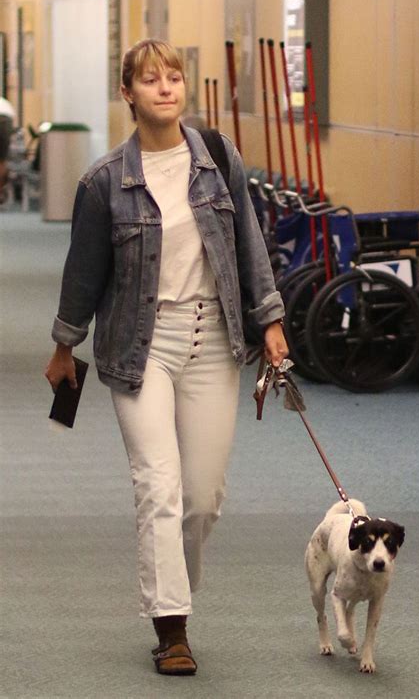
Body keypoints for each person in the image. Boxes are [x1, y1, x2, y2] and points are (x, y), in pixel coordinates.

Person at [45, 39, 288, 676]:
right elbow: (83, 274)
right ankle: (172, 626)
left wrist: (272, 320)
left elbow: (248, 243)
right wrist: (64, 345)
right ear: (128, 92)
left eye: (173, 77)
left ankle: (173, 584)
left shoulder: (216, 158)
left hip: (214, 339)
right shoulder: (104, 183)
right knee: (159, 485)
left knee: (201, 498)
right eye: (150, 80)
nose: (164, 88)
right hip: (138, 344)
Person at [0, 96, 15, 202]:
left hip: (5, 117)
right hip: (6, 118)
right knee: (2, 160)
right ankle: (0, 191)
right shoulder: (5, 103)